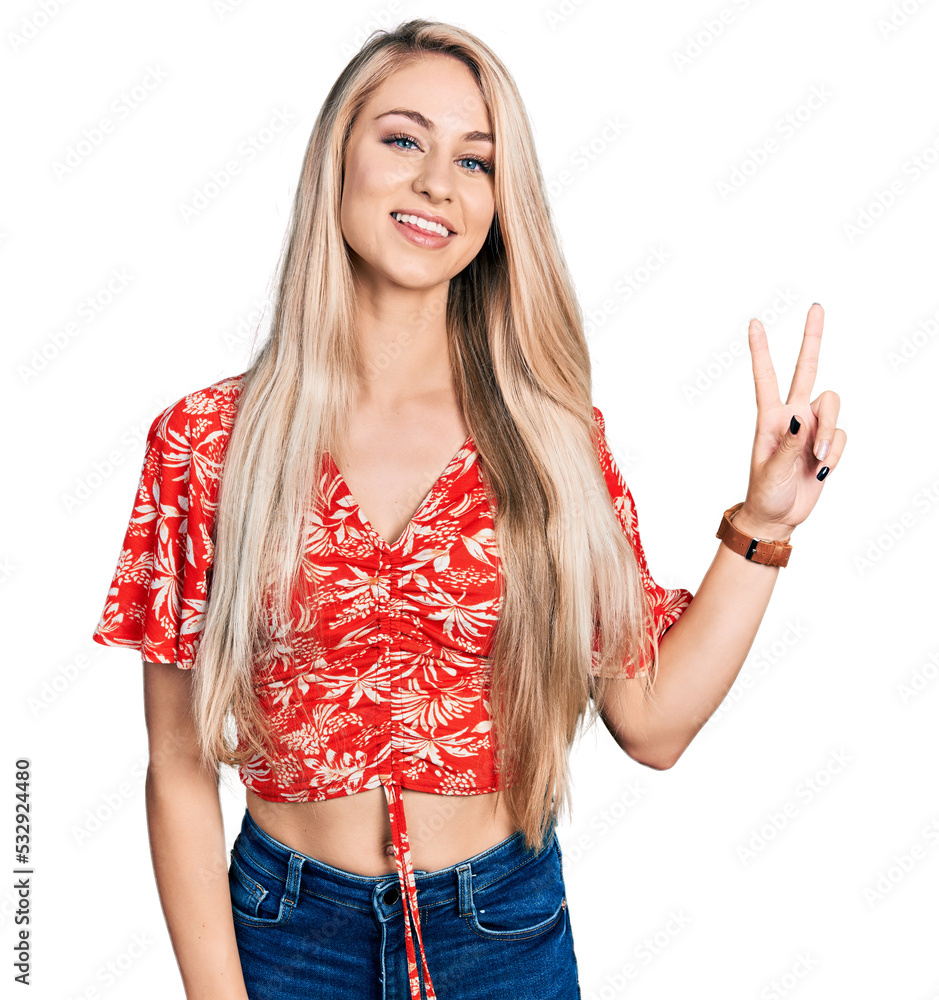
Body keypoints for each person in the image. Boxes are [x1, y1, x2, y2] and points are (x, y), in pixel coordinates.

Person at [90, 17, 846, 1000]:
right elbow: (180, 768)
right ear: (337, 159)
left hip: (501, 931)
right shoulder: (205, 442)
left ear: (499, 203)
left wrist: (766, 527)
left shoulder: (549, 441)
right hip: (281, 938)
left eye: (476, 161)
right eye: (403, 139)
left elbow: (652, 719)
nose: (438, 182)